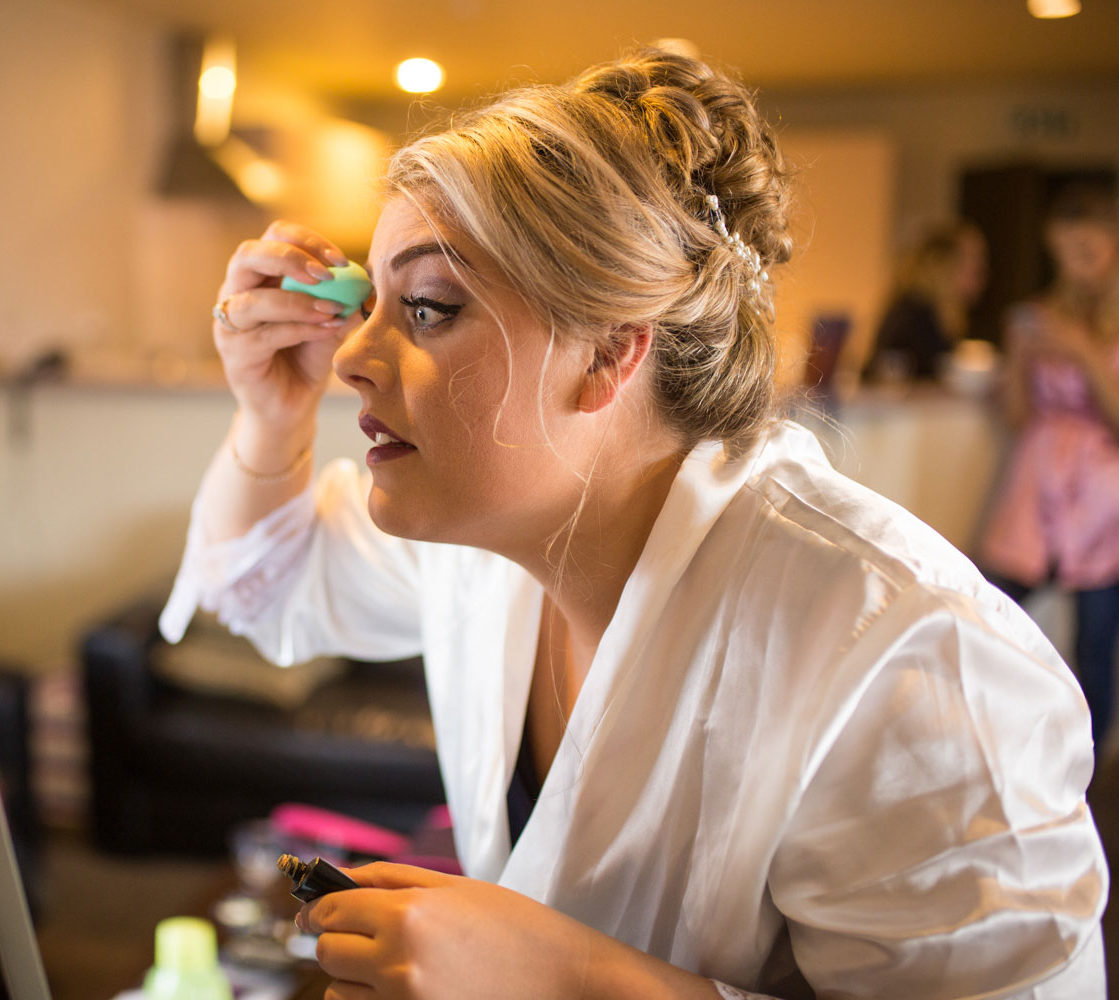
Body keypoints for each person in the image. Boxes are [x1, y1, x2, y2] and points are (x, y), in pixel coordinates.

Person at [161, 49, 1105, 998]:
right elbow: (265, 585)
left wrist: (565, 981)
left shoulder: (910, 654)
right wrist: (269, 412)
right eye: (367, 304)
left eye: (429, 307)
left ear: (611, 352)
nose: (352, 358)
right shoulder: (490, 546)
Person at [981, 184, 1119, 759]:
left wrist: (1085, 355)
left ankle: (1083, 771)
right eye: (1065, 252)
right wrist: (1018, 361)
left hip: (1101, 500)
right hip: (1035, 485)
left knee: (1094, 642)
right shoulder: (1038, 316)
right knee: (989, 614)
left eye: (1088, 251)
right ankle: (998, 746)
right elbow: (1017, 418)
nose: (1077, 265)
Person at [863, 220, 987, 382]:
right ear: (943, 264)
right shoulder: (912, 317)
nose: (983, 271)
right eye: (974, 261)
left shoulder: (935, 313)